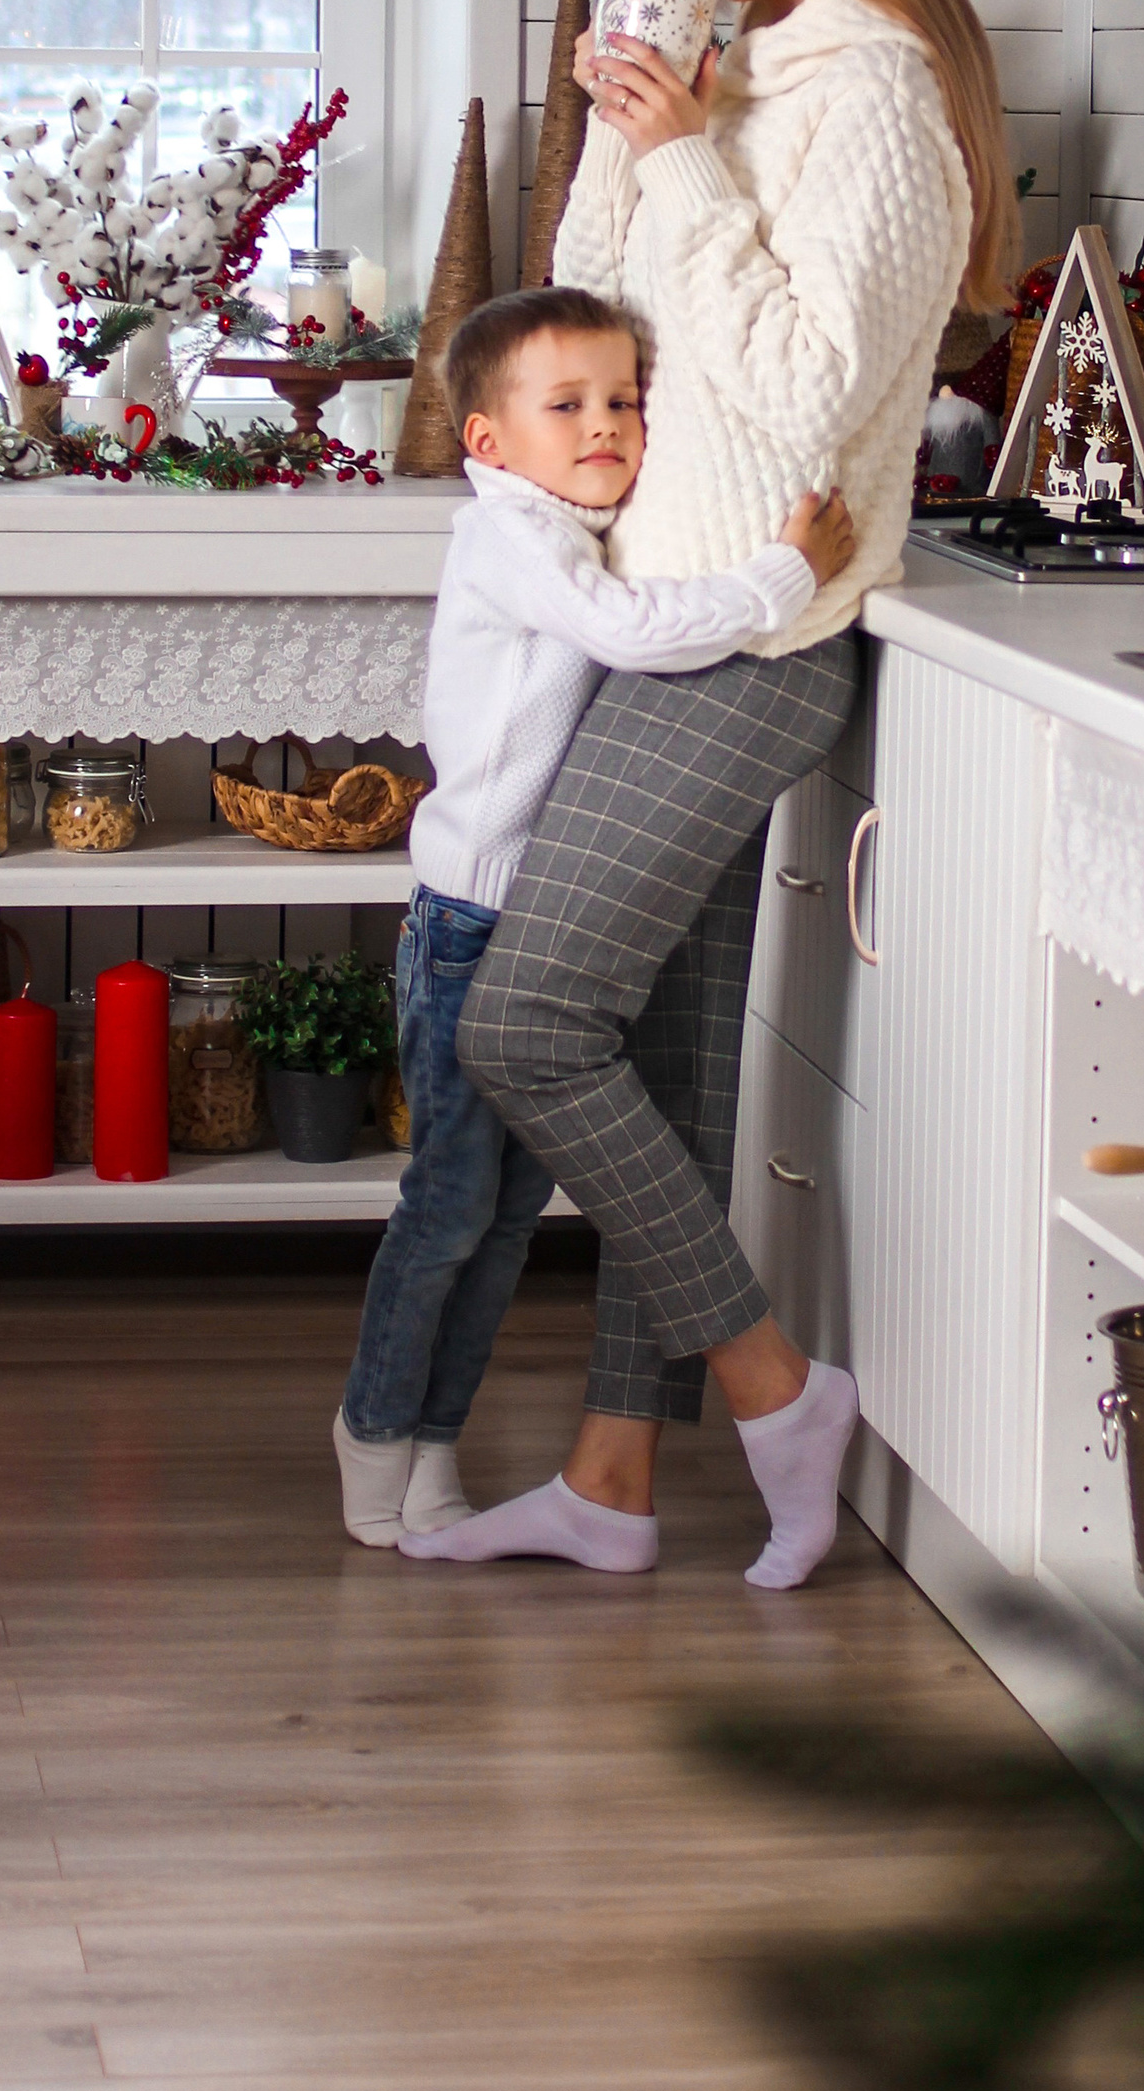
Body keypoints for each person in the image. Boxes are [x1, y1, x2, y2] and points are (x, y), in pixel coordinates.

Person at [403, 0, 1019, 1592]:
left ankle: (774, 1386)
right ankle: (610, 1480)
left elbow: (810, 390)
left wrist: (685, 161)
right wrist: (627, 133)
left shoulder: (879, 95)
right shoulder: (734, 77)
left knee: (525, 1021)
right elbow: (605, 326)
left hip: (755, 638)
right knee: (664, 1065)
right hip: (666, 618)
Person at [334, 284, 854, 1550]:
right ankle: (372, 1432)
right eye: (565, 406)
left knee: (504, 1223)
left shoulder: (571, 517)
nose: (606, 425)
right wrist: (783, 573)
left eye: (622, 399)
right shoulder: (513, 535)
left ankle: (434, 1445)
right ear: (488, 441)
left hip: (513, 917)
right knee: (448, 1211)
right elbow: (633, 631)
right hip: (464, 923)